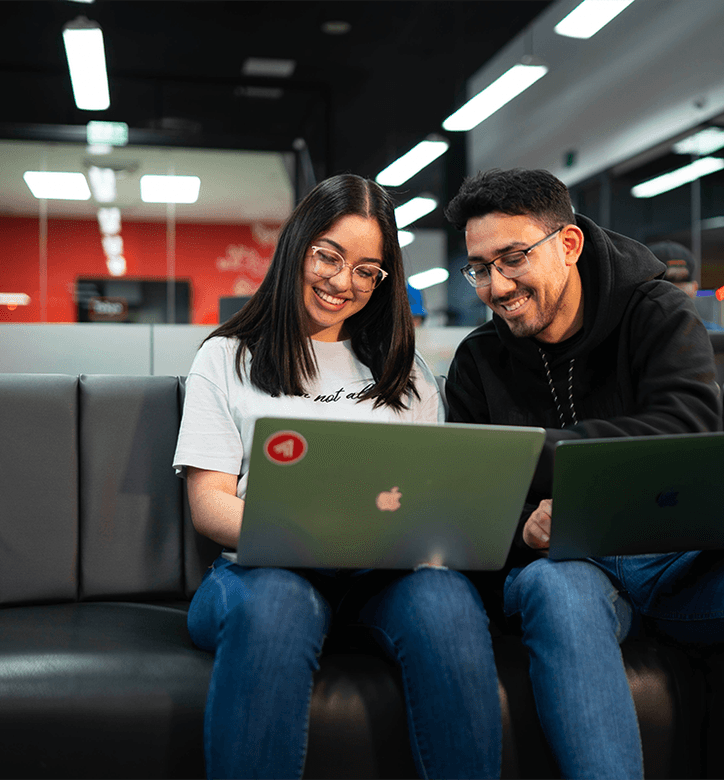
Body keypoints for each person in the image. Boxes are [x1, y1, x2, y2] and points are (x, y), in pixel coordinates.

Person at [443, 168, 724, 779]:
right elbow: (467, 494)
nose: (496, 285)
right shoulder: (478, 361)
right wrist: (526, 527)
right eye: (479, 267)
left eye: (513, 258)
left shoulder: (657, 312)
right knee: (557, 588)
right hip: (563, 567)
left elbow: (686, 427)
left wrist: (535, 457)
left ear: (567, 245)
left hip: (675, 559)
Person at [174, 174, 500, 779]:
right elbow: (210, 506)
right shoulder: (226, 357)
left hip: (382, 577)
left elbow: (431, 499)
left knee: (448, 604)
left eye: (367, 270)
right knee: (276, 608)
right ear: (298, 245)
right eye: (329, 255)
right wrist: (313, 534)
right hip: (265, 573)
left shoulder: (407, 374)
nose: (341, 282)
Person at [647, 239, 724, 330]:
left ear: (694, 287)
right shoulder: (714, 336)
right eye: (666, 281)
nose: (674, 290)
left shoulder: (717, 337)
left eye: (682, 280)